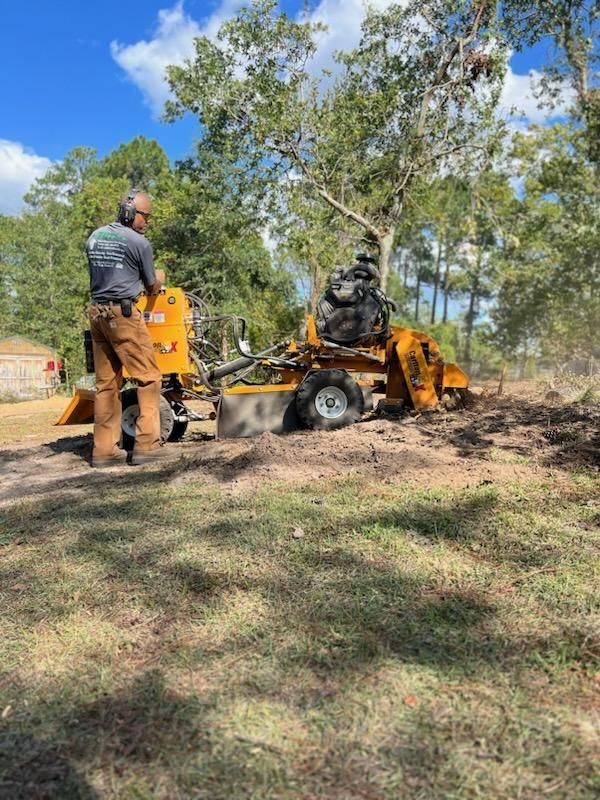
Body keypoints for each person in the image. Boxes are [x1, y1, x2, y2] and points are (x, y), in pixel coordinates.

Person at [86, 189, 168, 467]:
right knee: (148, 377)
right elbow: (150, 285)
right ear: (130, 214)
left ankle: (104, 451)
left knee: (106, 385)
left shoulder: (95, 237)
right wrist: (158, 277)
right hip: (123, 315)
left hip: (97, 313)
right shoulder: (139, 243)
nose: (148, 222)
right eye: (146, 216)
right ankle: (146, 445)